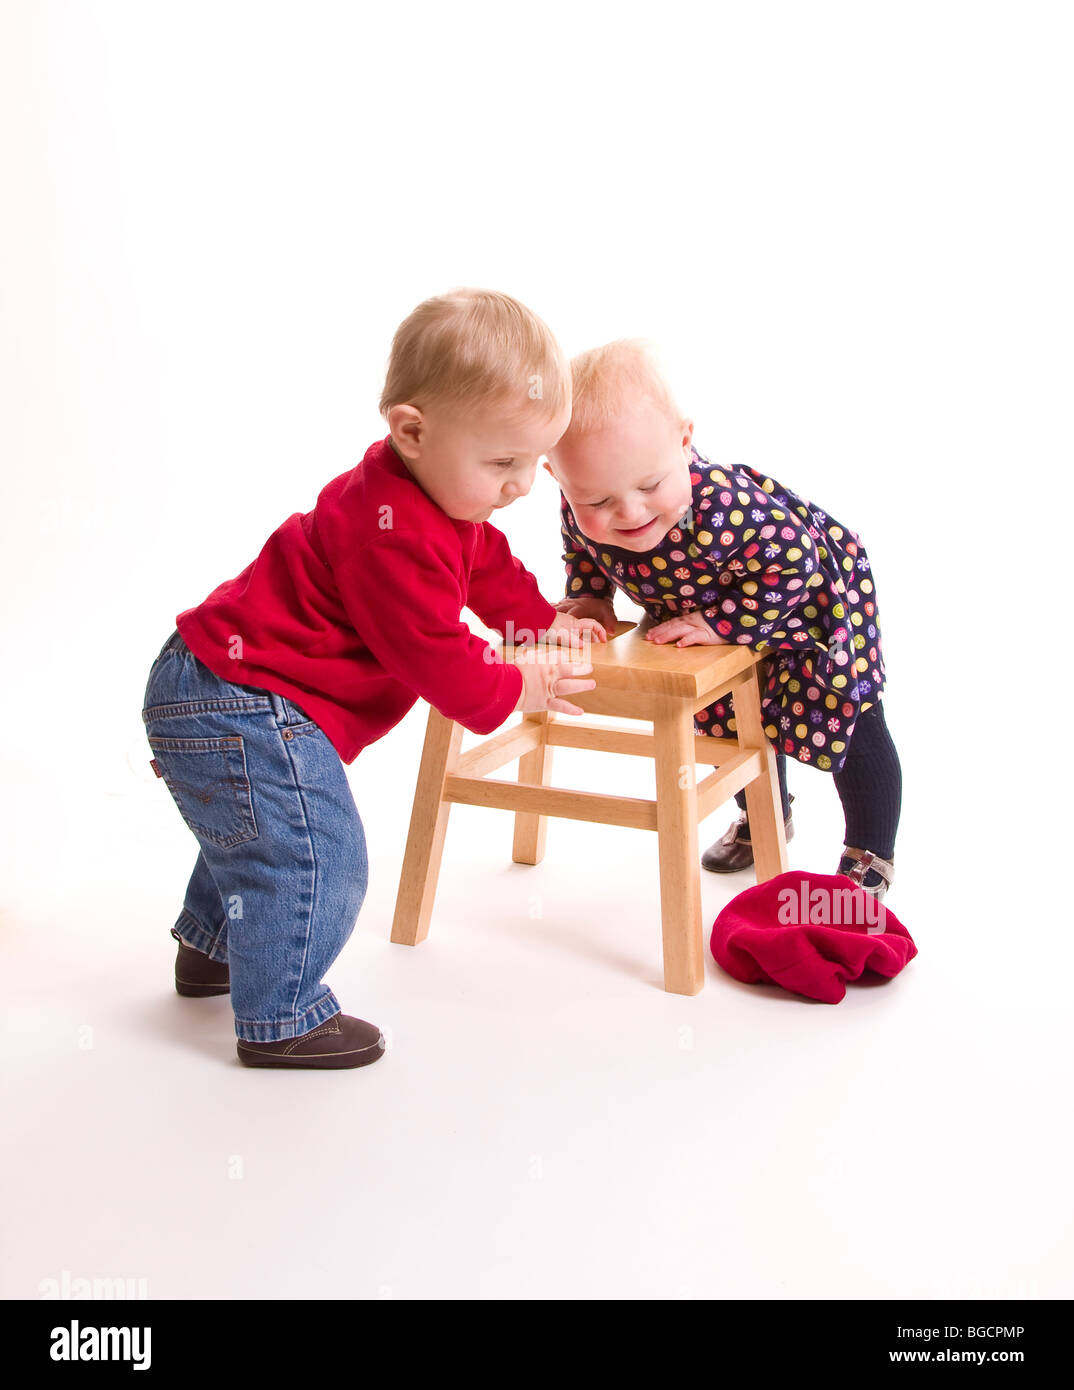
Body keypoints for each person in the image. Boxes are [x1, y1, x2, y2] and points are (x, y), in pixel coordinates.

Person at [141, 288, 604, 1070]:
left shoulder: (439, 503)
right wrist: (513, 685)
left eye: (532, 464)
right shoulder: (387, 532)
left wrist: (540, 621)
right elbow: (428, 650)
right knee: (316, 853)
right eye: (502, 463)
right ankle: (281, 1015)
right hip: (238, 701)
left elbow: (486, 569)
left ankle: (213, 951)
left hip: (217, 685)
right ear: (412, 430)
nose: (521, 485)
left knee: (254, 830)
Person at [546, 339, 902, 899]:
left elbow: (795, 561)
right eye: (598, 500)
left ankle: (869, 854)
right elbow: (581, 548)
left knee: (846, 715)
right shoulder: (578, 505)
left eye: (648, 485)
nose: (631, 513)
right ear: (559, 479)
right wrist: (591, 598)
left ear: (684, 441)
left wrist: (722, 623)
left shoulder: (722, 503)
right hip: (715, 610)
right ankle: (765, 818)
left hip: (814, 603)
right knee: (733, 718)